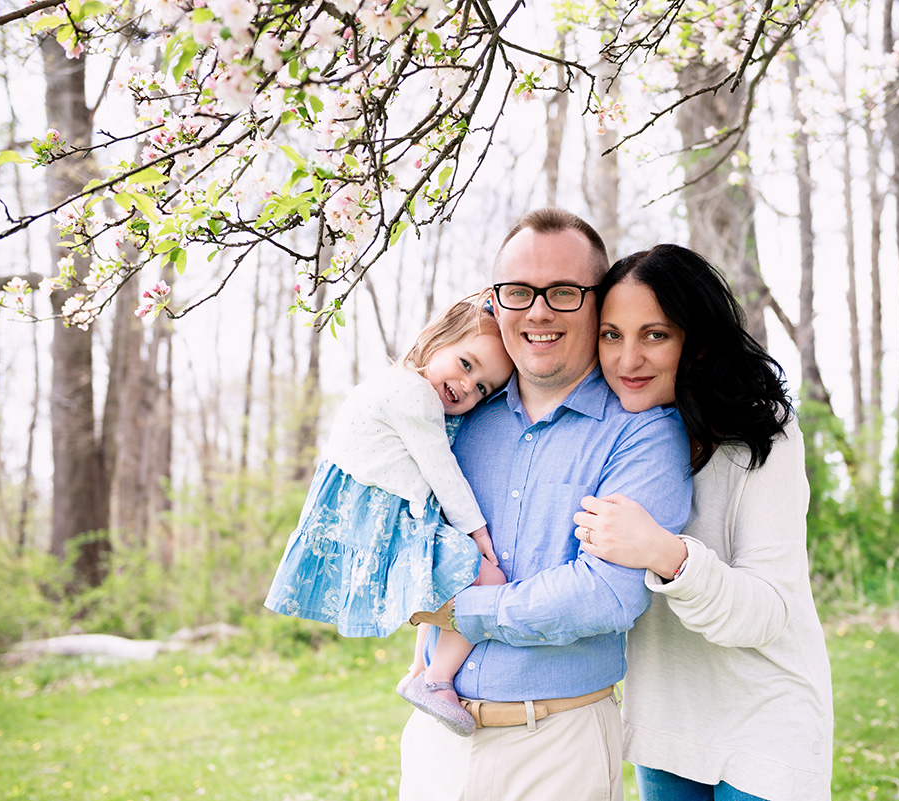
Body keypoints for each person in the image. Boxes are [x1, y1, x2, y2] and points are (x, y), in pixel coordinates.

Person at [400, 209, 693, 801]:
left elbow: (606, 594)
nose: (538, 313)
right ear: (495, 301)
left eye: (563, 292)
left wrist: (461, 609)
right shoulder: (457, 413)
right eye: (519, 292)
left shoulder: (642, 432)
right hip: (436, 740)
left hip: (557, 744)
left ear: (597, 303)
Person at [574, 244, 834, 801]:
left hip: (767, 726)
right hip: (665, 724)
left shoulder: (763, 435)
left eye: (655, 335)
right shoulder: (611, 431)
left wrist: (665, 554)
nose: (627, 360)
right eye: (612, 335)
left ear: (698, 342)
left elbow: (767, 612)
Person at [264, 293, 513, 736]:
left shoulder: (396, 386)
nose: (467, 386)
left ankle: (419, 669)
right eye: (466, 364)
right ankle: (437, 680)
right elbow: (442, 471)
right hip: (378, 519)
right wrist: (478, 532)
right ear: (436, 339)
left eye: (482, 388)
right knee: (488, 578)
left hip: (369, 512)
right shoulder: (414, 395)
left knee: (439, 583)